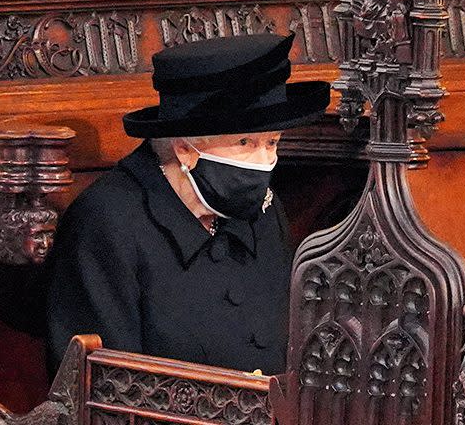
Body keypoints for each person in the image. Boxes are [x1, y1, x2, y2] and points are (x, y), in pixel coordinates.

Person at [45, 33, 330, 376]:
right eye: (245, 141)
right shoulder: (107, 223)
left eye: (272, 142)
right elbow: (99, 389)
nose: (265, 161)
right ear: (184, 149)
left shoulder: (265, 212)